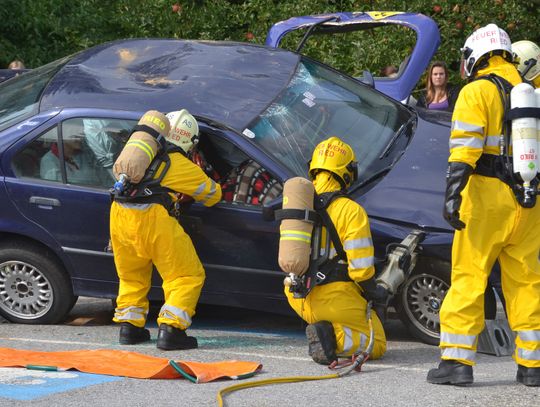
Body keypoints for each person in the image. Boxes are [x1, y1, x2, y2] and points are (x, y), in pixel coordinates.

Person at [427, 23, 540, 387]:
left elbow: (465, 150)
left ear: (475, 55)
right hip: (528, 199)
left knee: (469, 277)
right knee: (526, 283)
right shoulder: (533, 94)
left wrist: (452, 195)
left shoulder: (476, 91)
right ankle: (532, 366)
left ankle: (457, 362)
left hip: (486, 198)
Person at [109, 109, 222, 350]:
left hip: (119, 216)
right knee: (186, 276)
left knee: (131, 276)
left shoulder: (135, 156)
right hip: (154, 220)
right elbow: (213, 195)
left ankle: (130, 329)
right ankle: (172, 330)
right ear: (190, 142)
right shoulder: (177, 163)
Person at [284, 136, 386, 365]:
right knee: (377, 342)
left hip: (296, 295)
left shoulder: (299, 203)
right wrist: (375, 292)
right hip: (332, 298)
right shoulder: (351, 211)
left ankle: (326, 327)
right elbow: (360, 270)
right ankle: (332, 337)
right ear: (348, 172)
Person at [40, 120, 107, 186]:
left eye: (81, 129)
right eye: (73, 130)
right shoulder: (49, 161)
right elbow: (61, 190)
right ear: (61, 134)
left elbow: (105, 177)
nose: (80, 134)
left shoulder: (87, 153)